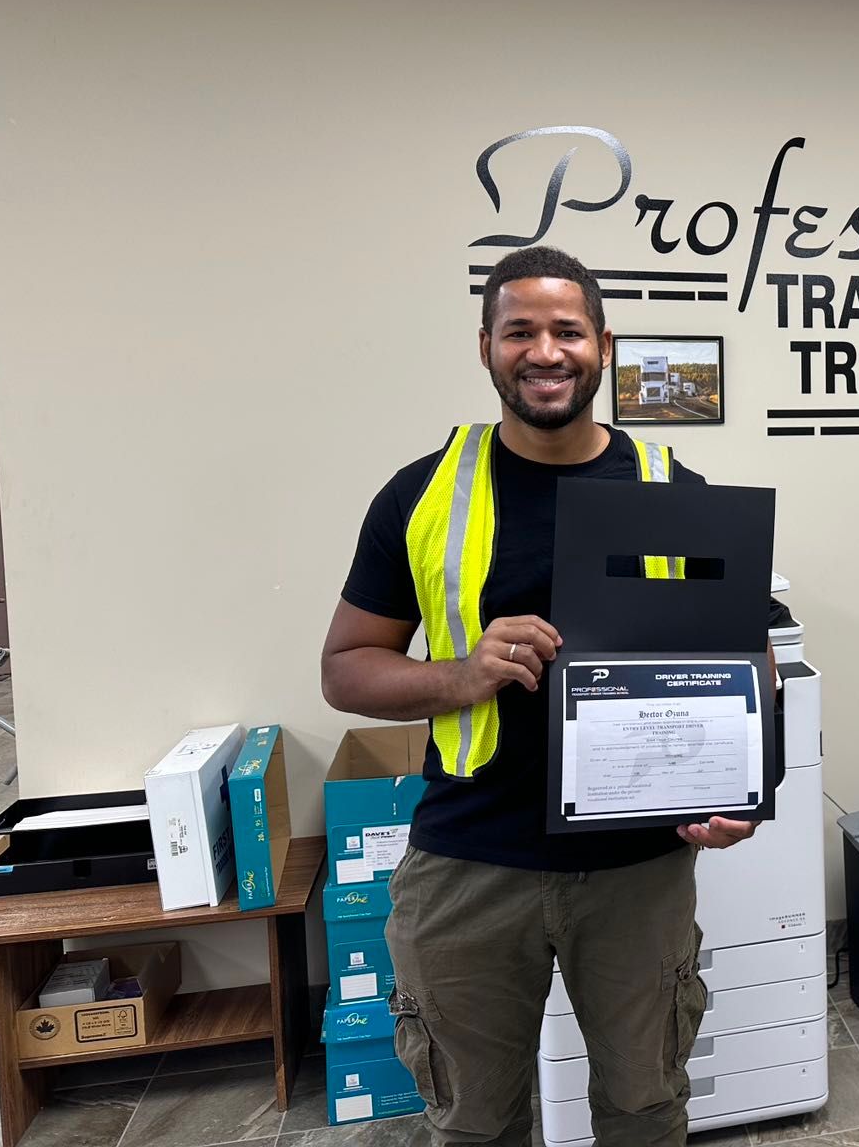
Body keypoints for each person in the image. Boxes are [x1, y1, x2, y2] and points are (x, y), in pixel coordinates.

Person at [321, 244, 760, 1147]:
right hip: (469, 865)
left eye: (567, 330)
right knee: (476, 1125)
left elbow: (738, 663)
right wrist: (461, 675)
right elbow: (346, 667)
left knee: (645, 1113)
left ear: (604, 344)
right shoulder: (422, 494)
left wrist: (736, 797)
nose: (545, 351)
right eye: (519, 331)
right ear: (484, 347)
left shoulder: (673, 490)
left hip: (637, 872)